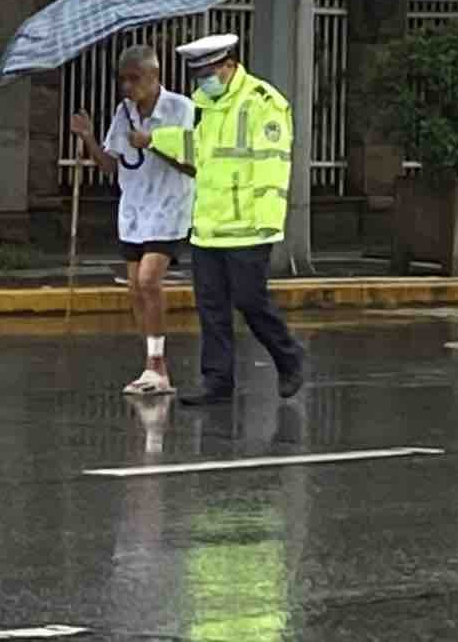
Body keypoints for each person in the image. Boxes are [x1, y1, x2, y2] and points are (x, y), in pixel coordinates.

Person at [133, 33, 305, 405]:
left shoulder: (264, 103)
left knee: (249, 300)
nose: (202, 81)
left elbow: (274, 166)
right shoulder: (207, 105)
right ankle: (217, 382)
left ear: (229, 65)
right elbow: (199, 150)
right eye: (198, 75)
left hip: (248, 226)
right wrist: (155, 139)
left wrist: (266, 223)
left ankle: (289, 356)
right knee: (211, 309)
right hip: (209, 227)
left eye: (208, 72)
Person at [70, 44, 195, 395]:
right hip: (135, 209)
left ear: (154, 76)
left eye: (135, 79)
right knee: (135, 288)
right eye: (123, 80)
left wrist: (152, 142)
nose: (128, 87)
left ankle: (159, 366)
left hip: (169, 206)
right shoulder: (123, 112)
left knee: (149, 279)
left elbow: (191, 163)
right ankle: (150, 363)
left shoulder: (180, 109)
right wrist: (88, 138)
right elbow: (111, 164)